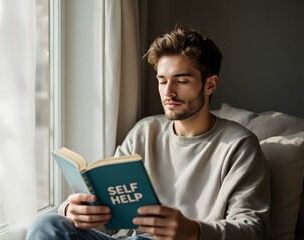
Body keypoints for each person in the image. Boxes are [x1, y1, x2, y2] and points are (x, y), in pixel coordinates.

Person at [26, 26, 270, 240]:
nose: (169, 92)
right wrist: (75, 210)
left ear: (210, 85)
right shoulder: (145, 131)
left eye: (181, 81)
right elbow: (110, 216)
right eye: (162, 81)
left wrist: (193, 231)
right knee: (45, 225)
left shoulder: (239, 145)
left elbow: (253, 229)